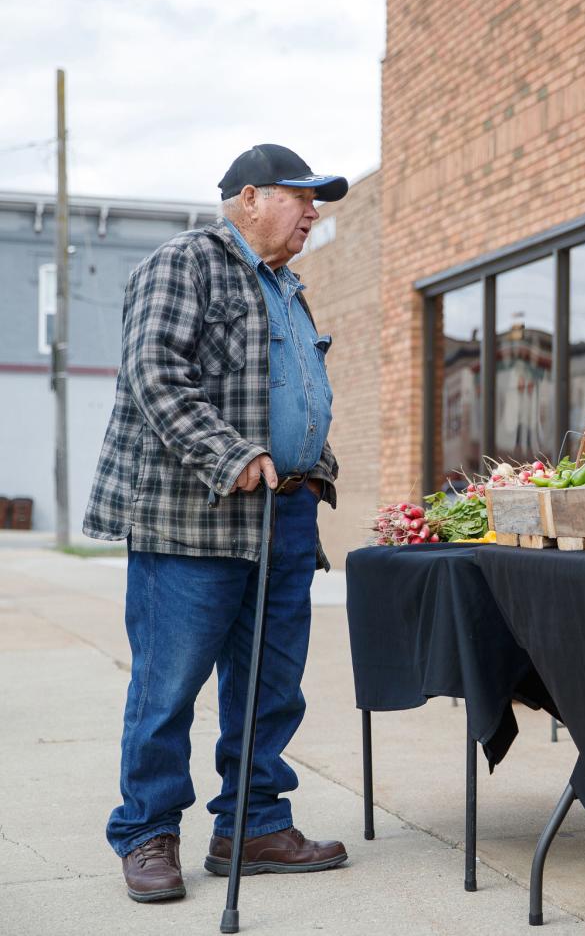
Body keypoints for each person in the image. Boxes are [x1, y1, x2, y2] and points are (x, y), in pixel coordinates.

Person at [84, 144, 348, 903]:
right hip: (196, 517)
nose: (313, 212)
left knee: (272, 685)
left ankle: (254, 823)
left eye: (318, 200)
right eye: (301, 197)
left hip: (287, 510)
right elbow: (154, 371)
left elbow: (295, 388)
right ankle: (147, 831)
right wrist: (230, 453)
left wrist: (314, 461)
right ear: (251, 197)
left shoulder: (289, 289)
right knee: (169, 685)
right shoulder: (184, 263)